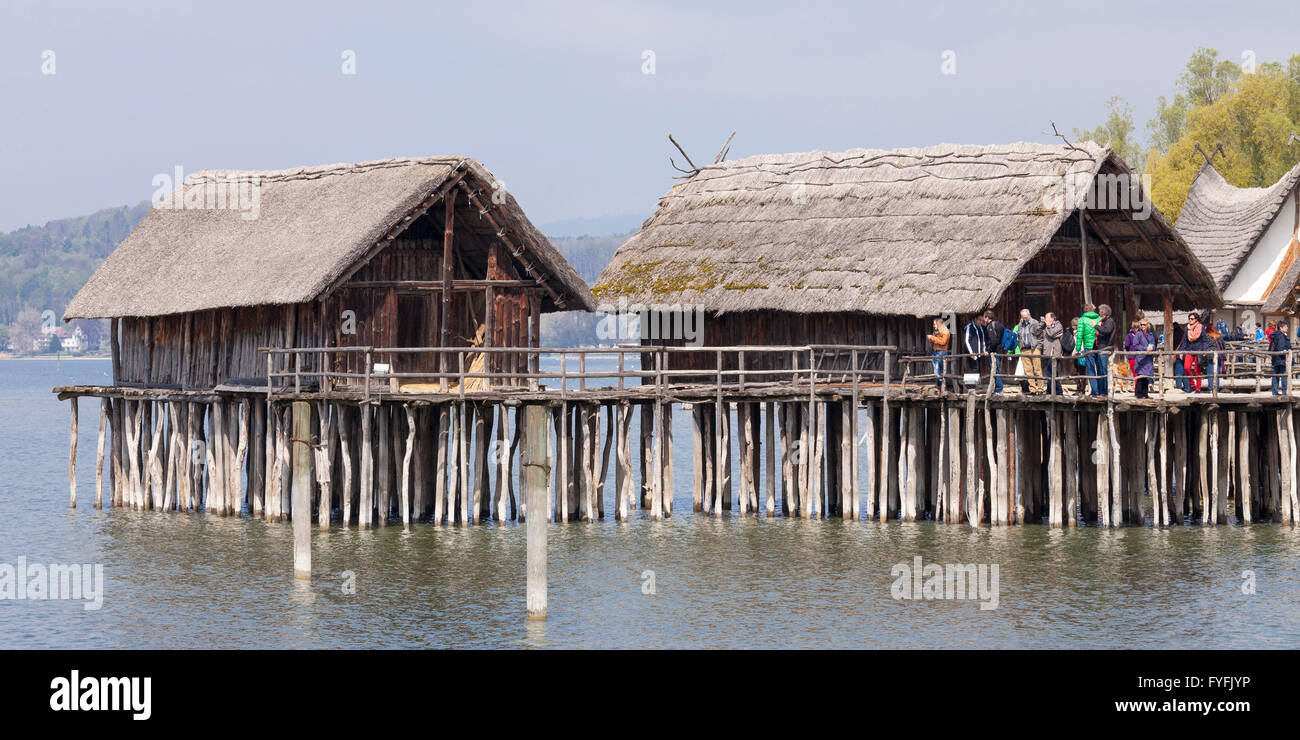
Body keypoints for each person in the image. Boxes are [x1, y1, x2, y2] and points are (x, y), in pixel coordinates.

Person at [1125, 318, 1157, 399]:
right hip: (1140, 358)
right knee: (1140, 376)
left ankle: (1145, 394)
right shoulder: (1138, 334)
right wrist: (1145, 348)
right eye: (1141, 324)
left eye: (1144, 325)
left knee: (1146, 376)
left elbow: (1153, 343)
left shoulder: (1150, 334)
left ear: (1148, 325)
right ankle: (1139, 394)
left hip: (1148, 358)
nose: (1142, 326)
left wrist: (1152, 347)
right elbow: (1135, 345)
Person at [1016, 308, 1044, 394]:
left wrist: (1038, 347)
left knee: (1037, 370)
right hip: (1024, 350)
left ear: (1029, 315)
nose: (1025, 319)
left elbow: (1040, 335)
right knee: (1028, 371)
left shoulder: (1034, 323)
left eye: (1026, 317)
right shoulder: (1020, 324)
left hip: (1034, 349)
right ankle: (1032, 389)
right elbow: (1019, 337)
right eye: (1023, 317)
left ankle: (1040, 389)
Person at [1075, 304, 1101, 396]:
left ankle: (1095, 391)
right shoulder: (1099, 318)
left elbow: (1079, 335)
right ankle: (1101, 391)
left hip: (1088, 347)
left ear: (1084, 310)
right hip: (1098, 346)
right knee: (1100, 368)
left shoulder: (1082, 320)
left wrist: (1077, 349)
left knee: (1090, 369)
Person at [1180, 312, 1207, 392]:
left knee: (1197, 370)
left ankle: (1198, 389)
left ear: (1196, 319)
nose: (1190, 320)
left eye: (1192, 319)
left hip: (1199, 350)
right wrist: (1182, 351)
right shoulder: (1187, 328)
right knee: (1186, 367)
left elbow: (1204, 340)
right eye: (1189, 319)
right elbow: (1184, 341)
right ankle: (1192, 385)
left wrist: (1205, 350)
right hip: (1189, 349)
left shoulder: (1200, 327)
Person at [983, 310, 1008, 394]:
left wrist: (988, 350)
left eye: (984, 317)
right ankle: (998, 388)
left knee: (995, 370)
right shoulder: (1000, 324)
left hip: (994, 352)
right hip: (1000, 351)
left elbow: (993, 341)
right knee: (996, 369)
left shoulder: (990, 326)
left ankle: (999, 389)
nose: (984, 320)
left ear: (987, 318)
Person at [1093, 304, 1116, 396]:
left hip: (1105, 348)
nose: (1099, 314)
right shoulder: (1104, 321)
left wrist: (1096, 326)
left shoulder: (1109, 321)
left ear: (1104, 313)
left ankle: (1105, 392)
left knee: (1103, 371)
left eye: (1100, 312)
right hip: (1100, 348)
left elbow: (1106, 331)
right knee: (1100, 370)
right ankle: (1101, 391)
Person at [1041, 312, 1064, 395]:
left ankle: (1056, 391)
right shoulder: (1046, 327)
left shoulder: (1058, 325)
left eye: (1046, 317)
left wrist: (1048, 326)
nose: (1045, 319)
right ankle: (1053, 391)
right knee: (1051, 373)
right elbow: (1038, 334)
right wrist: (1041, 325)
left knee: (1052, 373)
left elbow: (1052, 334)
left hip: (1054, 353)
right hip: (1047, 353)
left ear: (1052, 318)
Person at [926, 318, 951, 391]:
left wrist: (932, 338)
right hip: (935, 351)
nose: (933, 326)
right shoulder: (937, 331)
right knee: (936, 371)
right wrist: (930, 338)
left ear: (939, 324)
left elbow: (943, 342)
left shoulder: (946, 332)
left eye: (935, 324)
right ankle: (940, 387)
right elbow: (935, 340)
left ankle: (941, 388)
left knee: (937, 371)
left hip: (941, 352)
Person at [1269, 321, 1291, 395]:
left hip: (1275, 358)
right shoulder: (1281, 336)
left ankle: (1275, 392)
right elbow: (1280, 347)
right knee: (1283, 375)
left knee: (1275, 375)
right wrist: (1284, 351)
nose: (1287, 328)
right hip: (1281, 358)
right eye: (1285, 327)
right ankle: (1284, 392)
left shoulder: (1276, 335)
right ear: (1281, 328)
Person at [1068, 317, 1085, 396]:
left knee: (1082, 372)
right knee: (1074, 372)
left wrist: (1077, 351)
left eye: (1073, 325)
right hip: (1076, 353)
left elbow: (1081, 343)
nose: (1072, 327)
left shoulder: (1080, 332)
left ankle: (1082, 390)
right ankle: (1079, 388)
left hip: (1081, 353)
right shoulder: (1075, 333)